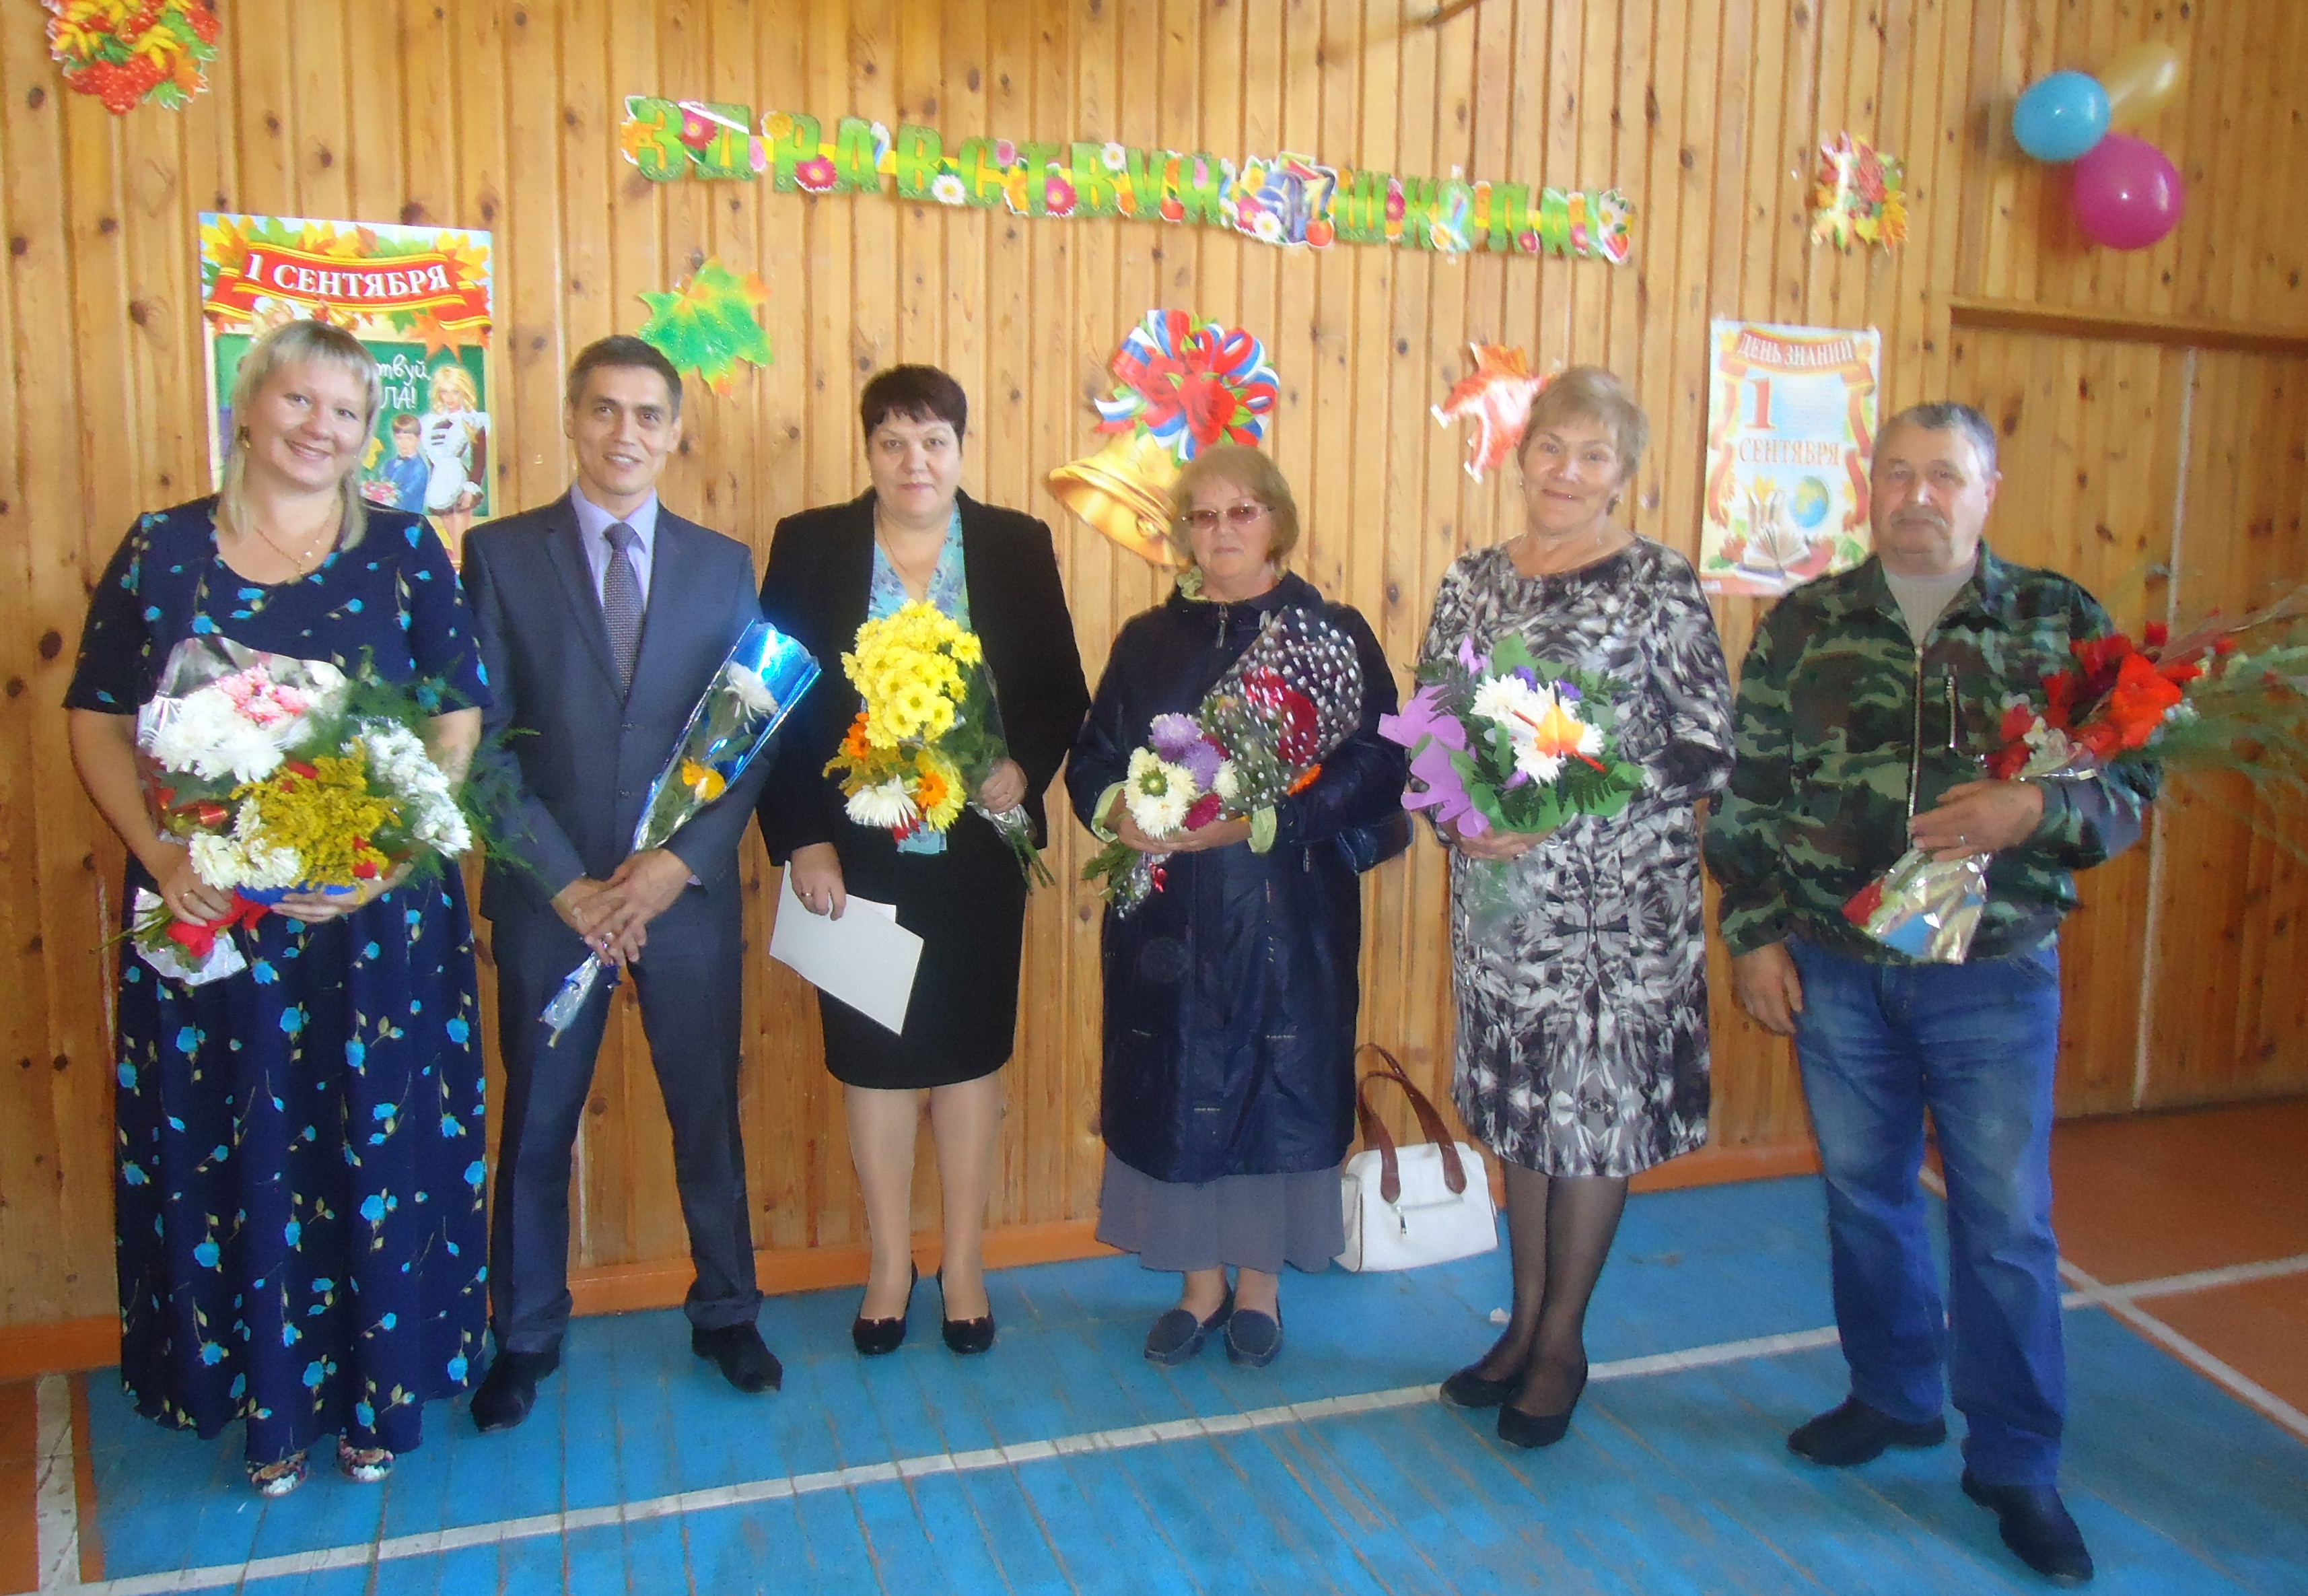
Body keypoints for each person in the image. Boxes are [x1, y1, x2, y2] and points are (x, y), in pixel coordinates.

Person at [1705, 401, 2155, 1587]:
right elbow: (1749, 792)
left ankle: (2014, 1460)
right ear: (1870, 486)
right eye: (1896, 472)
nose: (1916, 494)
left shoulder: (2057, 621)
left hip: (1991, 975)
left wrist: (2036, 807)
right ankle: (1893, 1392)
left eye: (1942, 475)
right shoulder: (1805, 621)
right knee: (1864, 1197)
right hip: (1835, 968)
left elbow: (2132, 783)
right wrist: (1751, 936)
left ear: (1986, 489)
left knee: (2002, 1223)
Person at [64, 320, 490, 1496]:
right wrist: (159, 853)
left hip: (373, 923)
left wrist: (395, 850)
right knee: (236, 1149)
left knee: (376, 1148)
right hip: (212, 917)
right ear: (246, 410)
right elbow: (96, 716)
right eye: (299, 401)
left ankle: (376, 1394)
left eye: (346, 413)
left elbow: (456, 716)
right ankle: (266, 1404)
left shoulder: (405, 548)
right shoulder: (160, 549)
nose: (321, 428)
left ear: (367, 435)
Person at [462, 335, 781, 1429]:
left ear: (675, 430)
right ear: (570, 417)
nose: (625, 433)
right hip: (547, 900)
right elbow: (480, 742)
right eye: (604, 409)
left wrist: (673, 866)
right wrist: (568, 886)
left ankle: (728, 1310)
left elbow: (748, 736)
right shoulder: (499, 556)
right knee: (537, 1124)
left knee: (706, 1115)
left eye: (648, 414)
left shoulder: (722, 564)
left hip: (680, 900)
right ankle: (524, 1332)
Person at [1420, 368, 1735, 1447]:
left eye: (1592, 454)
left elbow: (1705, 746)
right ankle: (1520, 1325)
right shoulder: (1472, 579)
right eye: (1551, 446)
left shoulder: (1656, 581)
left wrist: (1561, 796)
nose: (1566, 469)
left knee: (1592, 1121)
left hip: (1616, 917)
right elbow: (1435, 720)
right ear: (1522, 456)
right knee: (1523, 1110)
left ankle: (1561, 1340)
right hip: (1503, 908)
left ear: (1622, 474)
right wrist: (1458, 810)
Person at [757, 365, 1089, 1356]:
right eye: (893, 442)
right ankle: (889, 1265)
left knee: (969, 1058)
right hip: (854, 854)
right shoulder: (811, 544)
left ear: (960, 448)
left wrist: (1023, 767)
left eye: (934, 441)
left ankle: (965, 1263)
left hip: (978, 850)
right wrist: (801, 836)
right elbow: (770, 698)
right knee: (876, 1063)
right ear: (868, 450)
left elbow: (1059, 689)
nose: (915, 462)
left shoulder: (1014, 545)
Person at [1065, 444, 1406, 1369]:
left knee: (1272, 1088)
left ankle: (1259, 1286)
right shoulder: (1146, 640)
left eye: (1241, 512)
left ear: (1277, 522)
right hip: (1165, 916)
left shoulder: (1329, 634)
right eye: (1203, 515)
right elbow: (1092, 754)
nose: (1221, 531)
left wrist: (1268, 819)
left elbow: (1381, 764)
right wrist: (1117, 809)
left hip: (1286, 913)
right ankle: (1198, 1286)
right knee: (1177, 1090)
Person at [418, 361, 487, 552]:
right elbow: (433, 460)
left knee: (462, 535)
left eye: (455, 392)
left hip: (462, 480)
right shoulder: (430, 423)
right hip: (441, 482)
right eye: (444, 392)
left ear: (464, 391)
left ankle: (462, 560)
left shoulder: (473, 421)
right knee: (452, 534)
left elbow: (479, 460)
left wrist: (470, 489)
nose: (449, 398)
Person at [380, 412, 431, 512]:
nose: (404, 443)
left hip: (408, 517)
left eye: (409, 439)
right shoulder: (388, 464)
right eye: (399, 438)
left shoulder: (419, 468)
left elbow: (406, 496)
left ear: (418, 439)